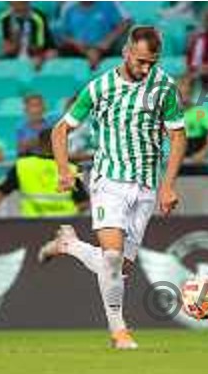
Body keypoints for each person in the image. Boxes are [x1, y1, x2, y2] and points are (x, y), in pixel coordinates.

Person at [38, 26, 187, 350]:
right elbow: (60, 130)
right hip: (109, 180)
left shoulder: (164, 86)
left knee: (120, 267)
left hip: (146, 185)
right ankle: (119, 331)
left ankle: (70, 245)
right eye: (141, 61)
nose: (146, 68)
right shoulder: (100, 87)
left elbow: (177, 135)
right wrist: (63, 170)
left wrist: (168, 186)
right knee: (112, 257)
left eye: (152, 62)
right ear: (126, 52)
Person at [0, 128, 89, 222]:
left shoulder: (23, 166)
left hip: (31, 228)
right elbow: (83, 204)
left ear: (40, 145)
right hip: (65, 227)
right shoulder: (70, 168)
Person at [59, 1, 131, 70]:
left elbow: (122, 24)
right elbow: (64, 35)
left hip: (103, 48)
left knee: (93, 55)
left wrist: (107, 41)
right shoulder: (70, 10)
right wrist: (76, 43)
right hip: (78, 49)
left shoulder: (107, 5)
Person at [178, 76, 208, 176]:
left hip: (196, 162)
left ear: (192, 93)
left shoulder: (201, 112)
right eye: (181, 93)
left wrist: (204, 152)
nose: (184, 96)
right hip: (177, 163)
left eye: (187, 93)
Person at [0, 2, 57, 69]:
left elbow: (38, 48)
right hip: (16, 52)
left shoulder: (38, 17)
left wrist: (23, 34)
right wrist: (16, 39)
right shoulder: (5, 18)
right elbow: (7, 49)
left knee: (39, 60)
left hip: (41, 52)